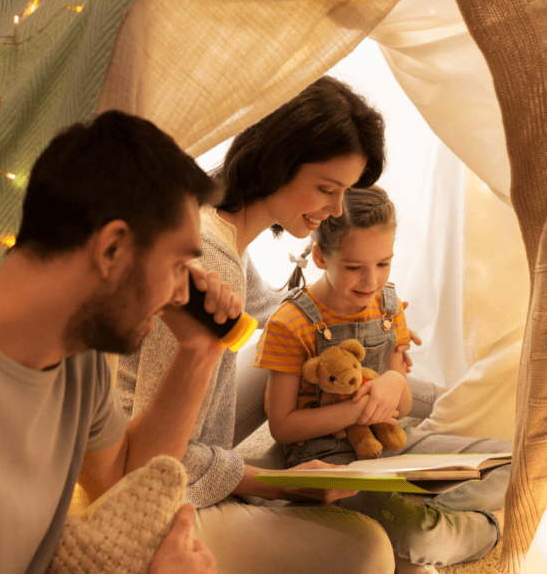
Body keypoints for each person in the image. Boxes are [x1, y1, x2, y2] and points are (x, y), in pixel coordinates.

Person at [117, 76, 398, 573]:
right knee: (369, 550)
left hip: (173, 446)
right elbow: (157, 463)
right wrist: (276, 483)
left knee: (311, 361)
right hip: (140, 499)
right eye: (327, 190)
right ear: (277, 162)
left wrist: (373, 337)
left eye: (345, 192)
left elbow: (268, 311)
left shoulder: (208, 216)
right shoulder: (212, 257)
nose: (335, 210)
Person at [0, 110, 248, 574]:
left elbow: (123, 479)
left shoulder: (77, 354)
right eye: (179, 265)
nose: (183, 294)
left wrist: (200, 350)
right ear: (113, 248)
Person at [254, 185, 512, 571]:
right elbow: (283, 427)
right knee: (418, 536)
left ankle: (425, 497)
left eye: (383, 264)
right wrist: (358, 411)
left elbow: (401, 408)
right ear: (321, 256)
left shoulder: (388, 304)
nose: (370, 281)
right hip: (331, 465)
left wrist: (395, 383)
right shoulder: (289, 324)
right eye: (355, 267)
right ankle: (489, 527)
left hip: (393, 444)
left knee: (518, 460)